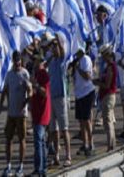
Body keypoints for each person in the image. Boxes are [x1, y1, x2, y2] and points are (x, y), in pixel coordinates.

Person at [0, 50, 32, 177]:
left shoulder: (25, 74)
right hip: (11, 113)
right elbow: (5, 90)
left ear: (21, 61)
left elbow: (30, 90)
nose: (18, 63)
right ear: (13, 61)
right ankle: (8, 165)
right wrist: (1, 104)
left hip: (21, 114)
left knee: (21, 139)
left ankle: (21, 166)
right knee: (8, 139)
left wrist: (27, 100)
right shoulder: (9, 74)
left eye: (19, 60)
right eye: (16, 60)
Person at [47, 36, 71, 168]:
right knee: (53, 129)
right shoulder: (51, 62)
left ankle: (68, 156)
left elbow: (62, 52)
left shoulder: (62, 61)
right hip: (52, 96)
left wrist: (57, 39)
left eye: (55, 46)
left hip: (60, 97)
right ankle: (56, 155)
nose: (54, 48)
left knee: (64, 128)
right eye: (53, 46)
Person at [71, 47, 95, 156]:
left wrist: (78, 69)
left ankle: (91, 143)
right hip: (79, 93)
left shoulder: (85, 59)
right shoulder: (78, 60)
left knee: (87, 120)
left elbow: (87, 76)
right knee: (81, 120)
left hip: (86, 92)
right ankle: (84, 143)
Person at [30, 51, 51, 177]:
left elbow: (44, 92)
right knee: (41, 142)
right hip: (37, 112)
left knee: (39, 141)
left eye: (36, 60)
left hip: (42, 113)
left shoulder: (43, 74)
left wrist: (35, 85)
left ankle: (40, 169)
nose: (34, 62)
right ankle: (42, 168)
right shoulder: (37, 73)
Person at [96, 44, 117, 151]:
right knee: (107, 121)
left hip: (108, 95)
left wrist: (98, 82)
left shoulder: (111, 67)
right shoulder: (108, 66)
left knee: (108, 121)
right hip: (106, 96)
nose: (103, 57)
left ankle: (111, 145)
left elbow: (107, 85)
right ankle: (111, 143)